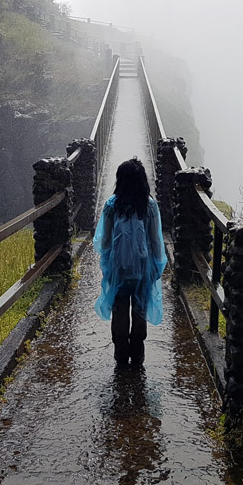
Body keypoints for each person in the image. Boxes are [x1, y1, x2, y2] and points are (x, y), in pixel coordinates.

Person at [93, 157, 167, 367]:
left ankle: (121, 355)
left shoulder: (112, 205)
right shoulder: (149, 205)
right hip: (143, 267)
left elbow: (105, 240)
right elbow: (155, 239)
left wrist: (107, 264)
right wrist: (158, 265)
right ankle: (138, 355)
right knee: (140, 308)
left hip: (119, 267)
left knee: (120, 307)